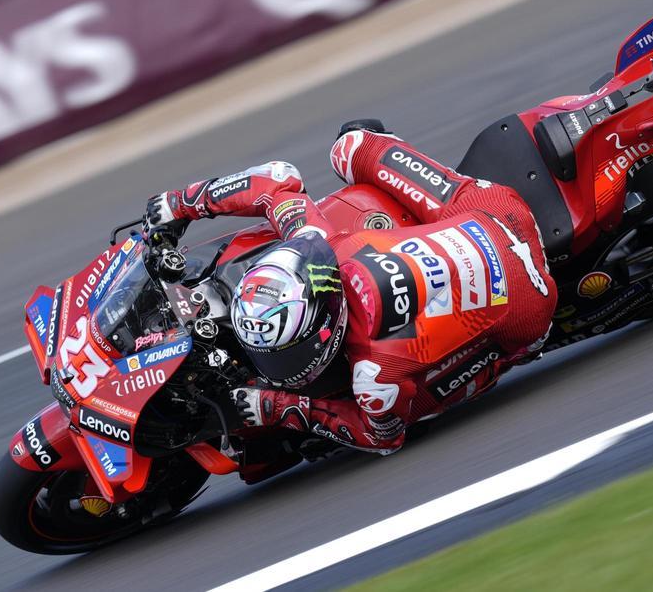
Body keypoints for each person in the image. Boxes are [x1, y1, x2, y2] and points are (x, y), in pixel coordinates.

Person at [143, 121, 557, 453]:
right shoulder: (324, 245)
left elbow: (382, 438)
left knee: (416, 409)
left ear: (327, 327)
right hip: (486, 212)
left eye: (287, 353)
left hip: (527, 305)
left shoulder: (373, 372)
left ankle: (513, 353)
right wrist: (180, 203)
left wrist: (277, 405)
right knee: (352, 142)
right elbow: (275, 180)